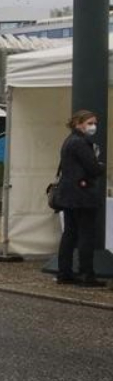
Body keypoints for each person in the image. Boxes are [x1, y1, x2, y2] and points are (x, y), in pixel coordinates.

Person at [54, 109, 107, 287]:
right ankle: (86, 274)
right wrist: (101, 165)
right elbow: (93, 168)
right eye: (90, 123)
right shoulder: (81, 143)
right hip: (82, 195)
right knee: (86, 235)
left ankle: (65, 272)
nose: (93, 127)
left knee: (70, 234)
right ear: (78, 124)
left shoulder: (69, 141)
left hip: (69, 195)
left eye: (95, 123)